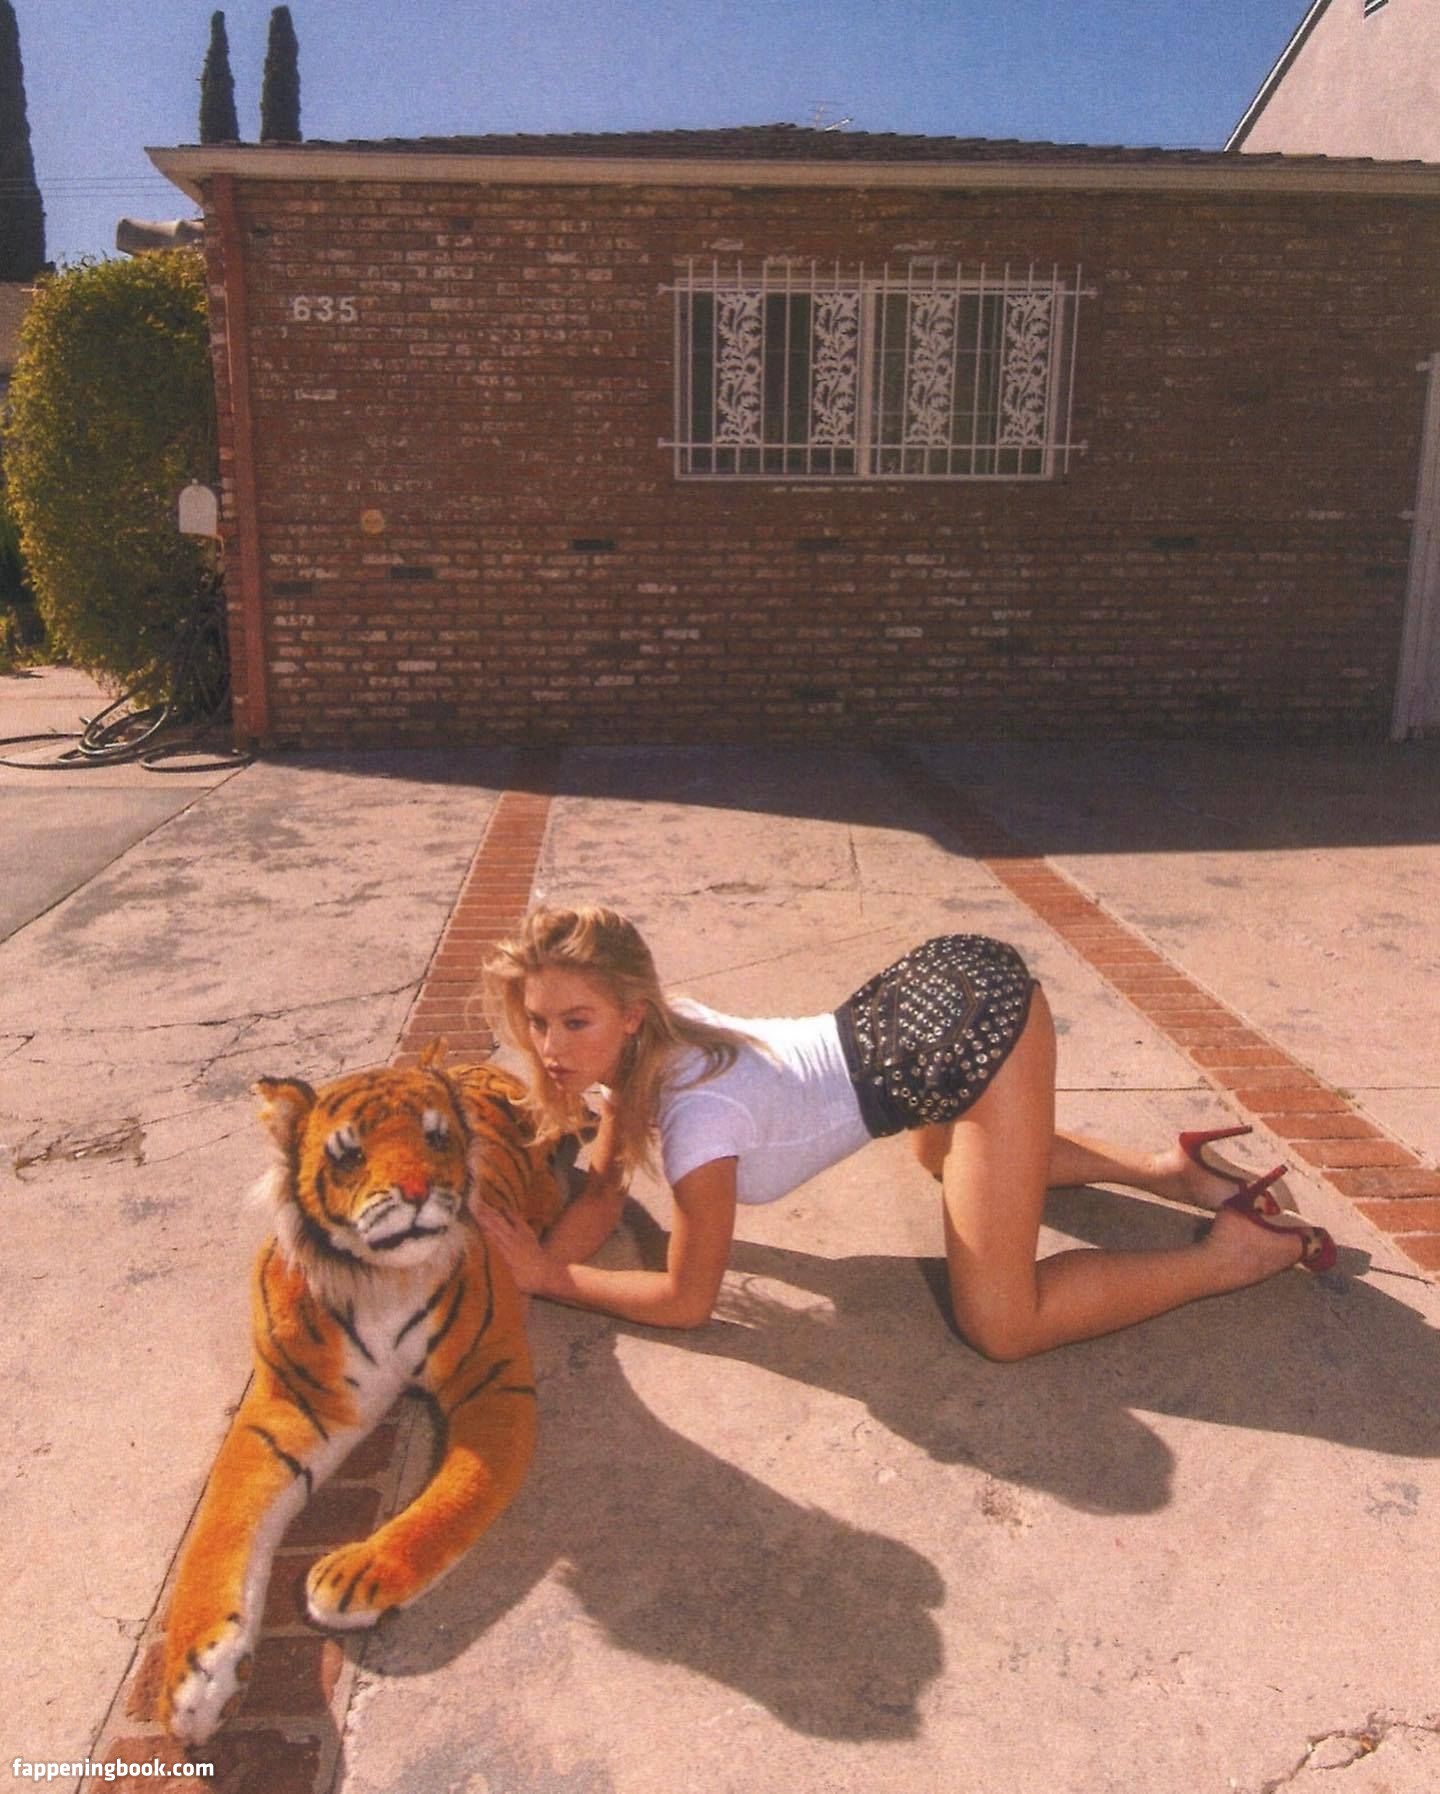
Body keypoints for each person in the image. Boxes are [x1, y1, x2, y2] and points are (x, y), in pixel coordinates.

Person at [473, 905, 1335, 1361]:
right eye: (538, 1020)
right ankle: (1168, 1169)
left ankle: (1232, 1253)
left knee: (1004, 1326)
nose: (550, 1048)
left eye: (574, 1022)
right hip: (917, 1010)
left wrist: (549, 1278)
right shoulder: (649, 1043)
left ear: (630, 1014)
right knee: (941, 1151)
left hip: (975, 1029)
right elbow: (603, 1189)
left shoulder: (701, 1119)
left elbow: (686, 1300)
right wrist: (534, 1264)